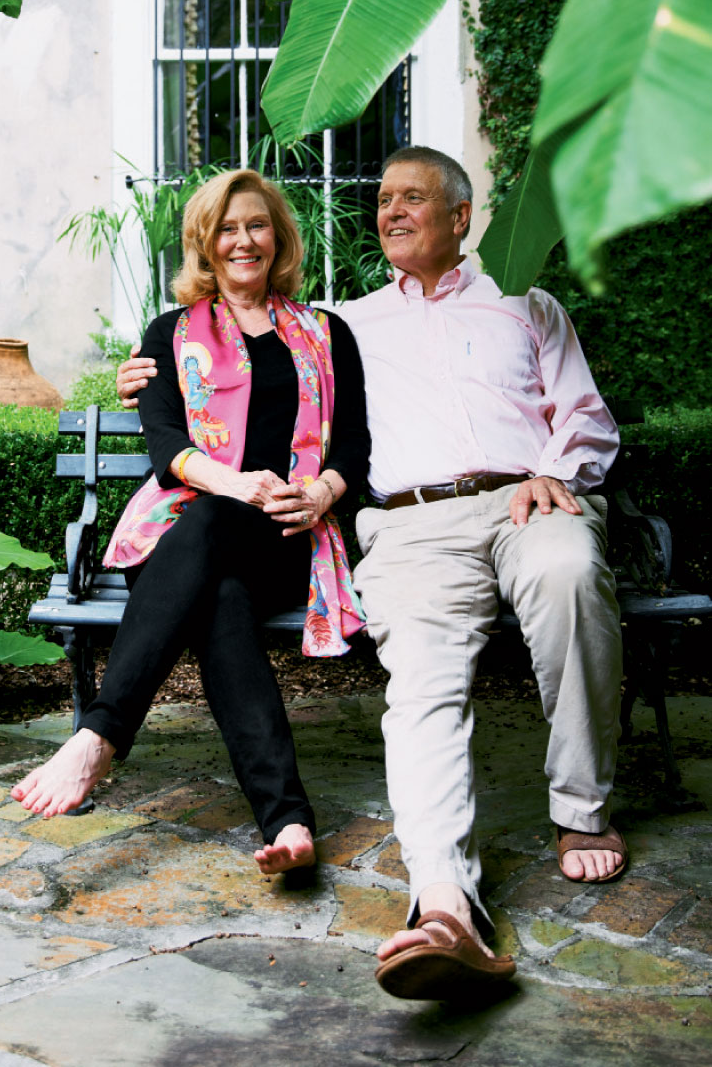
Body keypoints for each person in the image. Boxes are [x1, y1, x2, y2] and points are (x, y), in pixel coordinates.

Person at [116, 146, 625, 998]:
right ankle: (441, 903)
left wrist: (557, 469)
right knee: (420, 682)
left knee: (570, 576)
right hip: (412, 524)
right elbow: (248, 367)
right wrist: (145, 371)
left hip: (528, 501)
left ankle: (581, 812)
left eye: (412, 199)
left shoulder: (526, 306)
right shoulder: (343, 324)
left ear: (460, 217)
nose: (389, 212)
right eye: (382, 199)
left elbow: (584, 415)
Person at [13, 168, 369, 876]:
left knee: (224, 571)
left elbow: (354, 447)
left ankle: (100, 735)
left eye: (256, 225)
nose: (243, 240)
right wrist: (236, 486)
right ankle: (288, 819)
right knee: (220, 592)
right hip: (186, 526)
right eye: (226, 229)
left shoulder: (326, 335)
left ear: (279, 237)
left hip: (288, 535)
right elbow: (167, 447)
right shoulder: (169, 335)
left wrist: (320, 494)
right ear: (204, 245)